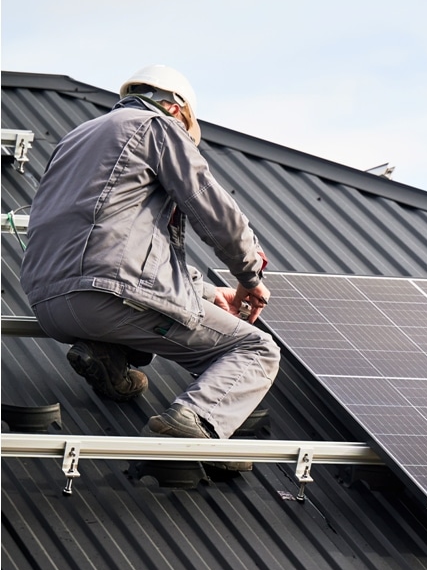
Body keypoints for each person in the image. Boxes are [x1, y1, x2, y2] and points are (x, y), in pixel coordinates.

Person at [19, 64, 280, 455]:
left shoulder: (74, 140)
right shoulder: (156, 128)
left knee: (153, 316)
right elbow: (212, 208)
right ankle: (195, 421)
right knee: (255, 349)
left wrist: (208, 294)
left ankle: (110, 361)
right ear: (177, 110)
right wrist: (250, 275)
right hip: (109, 296)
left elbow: (124, 240)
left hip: (50, 303)